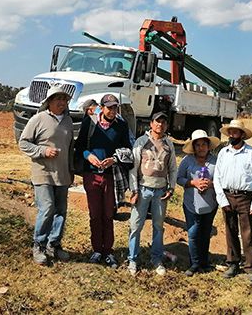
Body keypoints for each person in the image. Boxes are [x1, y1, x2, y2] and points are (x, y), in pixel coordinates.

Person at [74, 94, 132, 268]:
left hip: (111, 175)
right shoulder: (90, 124)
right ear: (102, 107)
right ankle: (97, 249)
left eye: (115, 107)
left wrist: (114, 159)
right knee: (95, 214)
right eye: (109, 107)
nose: (112, 111)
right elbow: (80, 147)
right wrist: (89, 156)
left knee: (108, 214)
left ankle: (108, 251)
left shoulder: (121, 125)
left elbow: (128, 148)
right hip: (91, 174)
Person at [19, 86, 74, 265]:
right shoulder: (38, 119)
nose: (62, 102)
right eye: (57, 98)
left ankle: (54, 244)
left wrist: (72, 171)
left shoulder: (68, 121)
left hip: (63, 174)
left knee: (61, 212)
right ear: (49, 101)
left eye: (64, 99)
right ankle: (39, 245)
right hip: (43, 173)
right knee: (47, 208)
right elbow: (24, 143)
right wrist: (43, 150)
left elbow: (70, 149)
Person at [127, 112, 177, 276]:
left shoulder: (169, 144)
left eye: (163, 122)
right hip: (142, 188)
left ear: (166, 126)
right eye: (157, 122)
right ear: (151, 124)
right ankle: (132, 259)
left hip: (160, 190)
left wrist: (171, 188)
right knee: (136, 225)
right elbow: (133, 168)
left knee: (158, 226)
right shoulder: (141, 142)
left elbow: (172, 168)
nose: (160, 125)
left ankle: (156, 259)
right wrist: (133, 190)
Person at [213, 119, 252, 283]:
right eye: (230, 132)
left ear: (242, 135)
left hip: (245, 197)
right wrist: (222, 200)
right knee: (230, 231)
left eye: (236, 132)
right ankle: (233, 263)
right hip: (228, 196)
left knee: (248, 233)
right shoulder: (223, 153)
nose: (232, 135)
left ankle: (251, 266)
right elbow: (217, 178)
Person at [177, 129, 220, 276]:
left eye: (204, 144)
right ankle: (194, 264)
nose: (201, 148)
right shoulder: (187, 160)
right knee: (193, 232)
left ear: (208, 146)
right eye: (198, 145)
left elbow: (222, 180)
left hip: (210, 204)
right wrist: (192, 182)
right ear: (193, 147)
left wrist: (211, 184)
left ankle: (204, 262)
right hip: (191, 204)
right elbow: (179, 178)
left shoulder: (216, 161)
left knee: (205, 232)